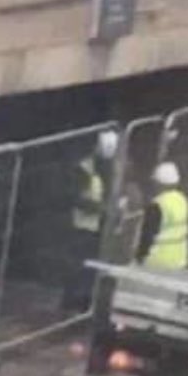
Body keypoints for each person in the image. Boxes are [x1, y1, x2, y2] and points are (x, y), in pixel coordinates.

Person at [62, 129, 119, 312]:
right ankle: (71, 306)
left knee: (92, 272)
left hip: (99, 228)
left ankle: (86, 306)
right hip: (82, 228)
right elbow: (74, 197)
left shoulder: (108, 168)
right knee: (78, 270)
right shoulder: (83, 169)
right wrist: (101, 208)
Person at [136, 162, 188, 271]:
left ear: (159, 183)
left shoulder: (158, 204)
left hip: (157, 261)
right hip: (178, 260)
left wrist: (139, 257)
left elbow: (147, 235)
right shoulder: (182, 200)